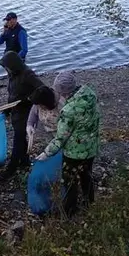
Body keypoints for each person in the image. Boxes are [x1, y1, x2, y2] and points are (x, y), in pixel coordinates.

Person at [35, 72, 101, 215]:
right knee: (86, 175)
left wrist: (46, 153)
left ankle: (70, 211)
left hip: (74, 153)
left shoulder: (68, 111)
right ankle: (89, 202)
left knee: (70, 182)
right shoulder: (90, 94)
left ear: (63, 91)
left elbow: (60, 138)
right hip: (91, 147)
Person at [0, 51, 44, 180]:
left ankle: (11, 168)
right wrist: (7, 109)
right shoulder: (13, 74)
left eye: (7, 67)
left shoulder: (27, 74)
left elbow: (42, 89)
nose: (6, 70)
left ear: (14, 64)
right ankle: (24, 161)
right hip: (15, 111)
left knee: (18, 139)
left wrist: (27, 100)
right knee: (20, 137)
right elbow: (12, 94)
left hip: (26, 113)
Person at [26, 85, 61, 152]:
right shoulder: (39, 102)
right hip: (49, 133)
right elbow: (33, 112)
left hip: (63, 134)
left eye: (41, 105)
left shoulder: (61, 105)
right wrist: (29, 125)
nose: (39, 106)